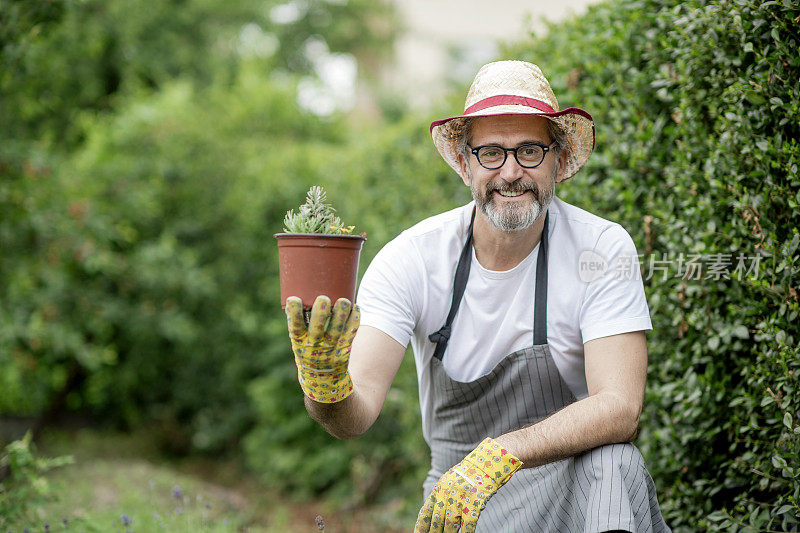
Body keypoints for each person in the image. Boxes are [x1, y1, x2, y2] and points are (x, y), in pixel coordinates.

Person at [285, 60, 670, 532]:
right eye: (490, 152)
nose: (510, 172)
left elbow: (620, 407)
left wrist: (501, 454)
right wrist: (325, 388)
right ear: (466, 164)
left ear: (559, 159)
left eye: (530, 150)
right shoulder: (413, 258)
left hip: (577, 493)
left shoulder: (602, 248)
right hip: (460, 503)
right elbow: (356, 415)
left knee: (616, 462)